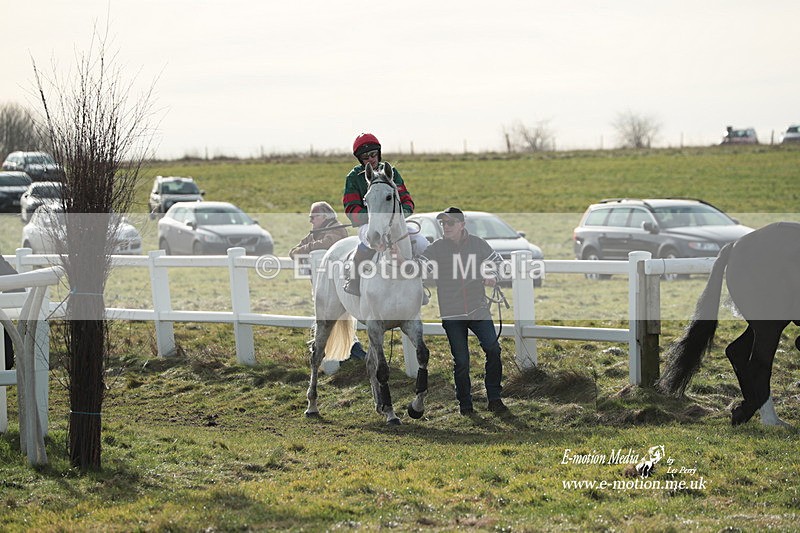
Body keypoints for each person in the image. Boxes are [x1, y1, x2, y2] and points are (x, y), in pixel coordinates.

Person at [418, 207, 509, 416]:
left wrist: (492, 274)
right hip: (452, 313)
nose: (446, 227)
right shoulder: (436, 248)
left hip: (478, 309)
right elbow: (419, 265)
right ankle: (465, 405)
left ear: (461, 225)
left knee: (493, 350)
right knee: (462, 361)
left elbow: (499, 264)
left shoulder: (478, 243)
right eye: (443, 223)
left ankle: (494, 398)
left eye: (450, 223)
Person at [289, 201, 367, 360]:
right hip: (324, 285)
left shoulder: (336, 230)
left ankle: (353, 353)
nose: (311, 220)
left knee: (340, 320)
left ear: (325, 216)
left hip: (337, 285)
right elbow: (293, 252)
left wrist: (306, 248)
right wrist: (307, 248)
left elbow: (325, 244)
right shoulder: (315, 232)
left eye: (314, 216)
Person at [342, 133, 416, 296]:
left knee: (421, 241)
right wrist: (376, 218)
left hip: (395, 221)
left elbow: (406, 200)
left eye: (373, 154)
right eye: (366, 157)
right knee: (369, 241)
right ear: (360, 159)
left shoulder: (392, 173)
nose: (371, 159)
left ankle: (420, 284)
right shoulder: (354, 177)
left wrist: (398, 215)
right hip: (368, 223)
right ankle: (353, 280)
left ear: (379, 153)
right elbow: (350, 208)